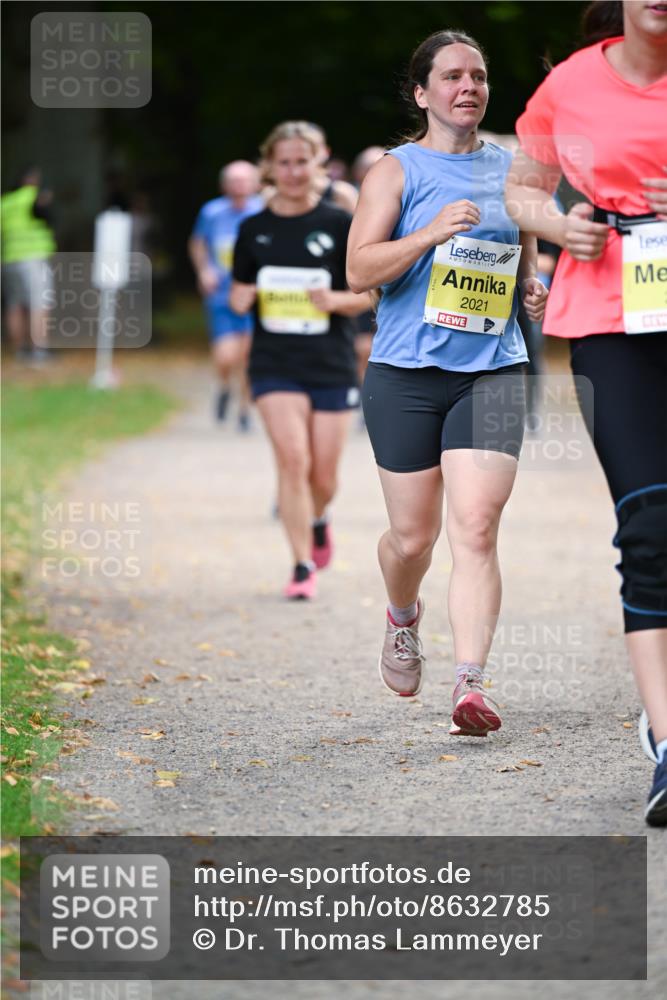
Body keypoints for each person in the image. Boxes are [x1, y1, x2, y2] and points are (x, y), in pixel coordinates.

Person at [347, 30, 547, 735]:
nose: (469, 87)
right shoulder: (393, 173)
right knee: (411, 538)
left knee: (476, 526)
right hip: (404, 375)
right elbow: (360, 271)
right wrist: (428, 233)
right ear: (422, 92)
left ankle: (469, 684)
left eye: (479, 76)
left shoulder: (512, 171)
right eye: (453, 77)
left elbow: (524, 252)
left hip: (491, 372)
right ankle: (402, 616)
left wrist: (532, 285)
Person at [505, 0, 667, 826]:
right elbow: (521, 188)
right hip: (612, 315)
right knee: (648, 525)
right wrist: (558, 224)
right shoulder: (568, 84)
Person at [230, 121, 371, 599]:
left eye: (302, 161)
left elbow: (371, 293)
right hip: (274, 363)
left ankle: (318, 517)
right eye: (283, 162)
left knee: (323, 476)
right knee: (292, 461)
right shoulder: (253, 228)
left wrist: (335, 301)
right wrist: (242, 297)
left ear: (320, 162)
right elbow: (238, 294)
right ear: (269, 166)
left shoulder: (339, 223)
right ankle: (300, 565)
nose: (292, 171)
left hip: (330, 360)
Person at [189, 161, 263, 428]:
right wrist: (204, 271)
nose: (239, 186)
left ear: (255, 183)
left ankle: (244, 411)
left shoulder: (263, 210)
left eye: (244, 180)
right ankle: (223, 386)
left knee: (248, 356)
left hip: (256, 295)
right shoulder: (212, 212)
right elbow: (198, 243)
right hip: (221, 292)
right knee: (226, 356)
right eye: (233, 180)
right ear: (224, 185)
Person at [1, 167, 55, 364]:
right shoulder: (35, 196)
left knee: (14, 305)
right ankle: (39, 350)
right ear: (32, 180)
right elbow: (48, 217)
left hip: (9, 259)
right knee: (40, 302)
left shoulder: (6, 202)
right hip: (33, 257)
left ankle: (19, 351)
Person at [351, 146, 386, 410]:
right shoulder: (348, 198)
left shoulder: (403, 194)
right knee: (363, 347)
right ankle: (367, 399)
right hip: (362, 284)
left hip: (393, 286)